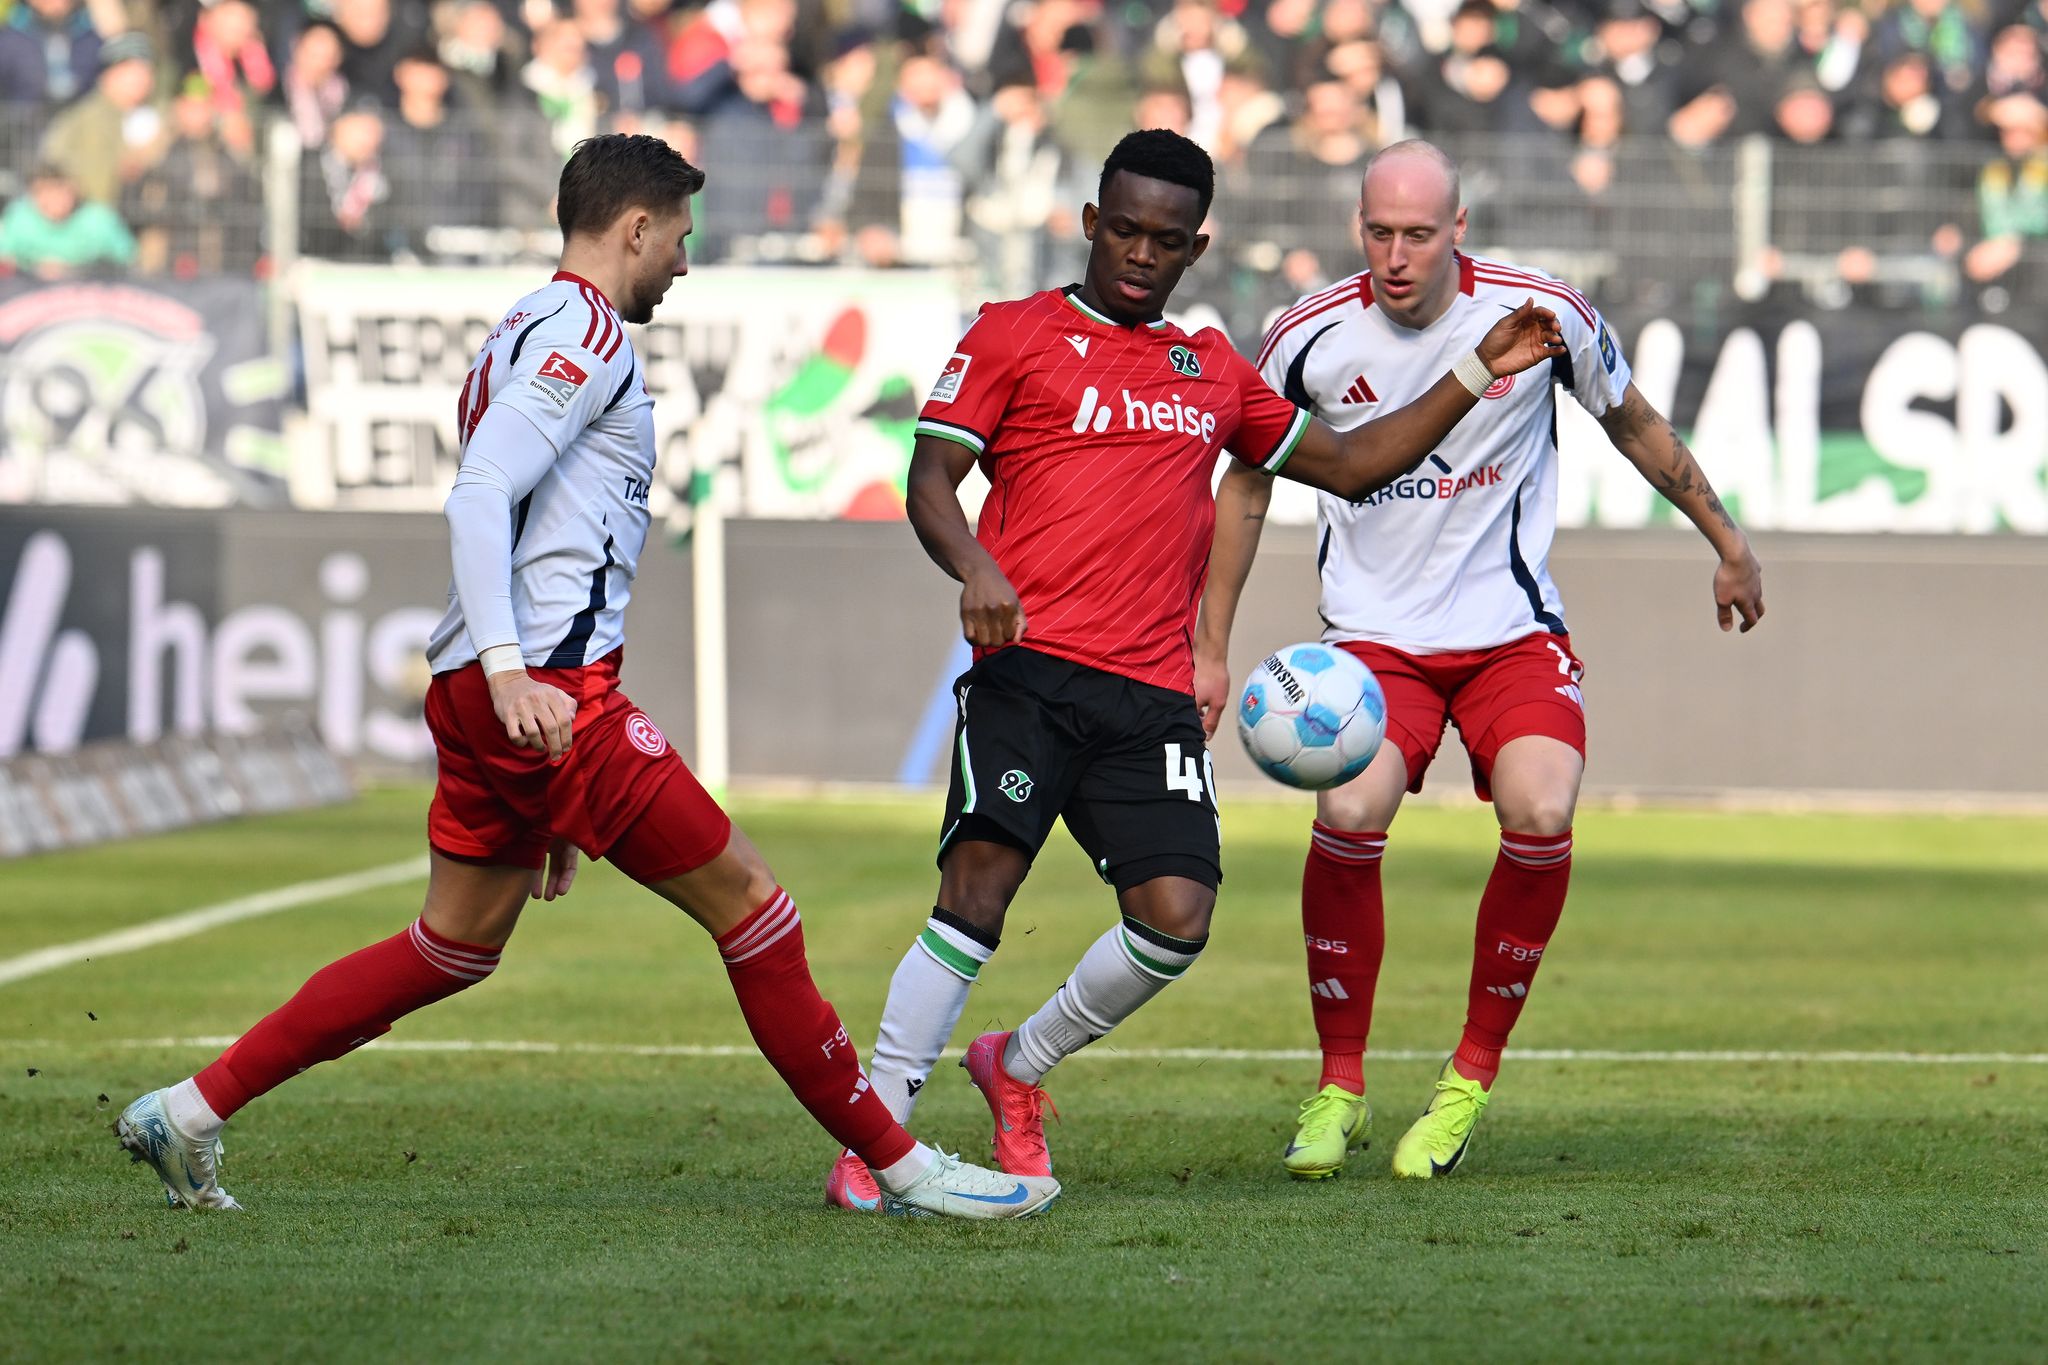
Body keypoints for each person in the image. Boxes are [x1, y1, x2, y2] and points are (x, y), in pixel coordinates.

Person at [115, 133, 1057, 1223]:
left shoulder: (525, 322)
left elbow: (525, 519)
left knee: (450, 947)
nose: (685, 265)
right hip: (546, 695)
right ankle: (903, 1169)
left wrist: (515, 722)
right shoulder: (583, 334)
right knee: (758, 912)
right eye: (681, 240)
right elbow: (479, 492)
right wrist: (522, 681)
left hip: (487, 690)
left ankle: (186, 1113)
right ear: (634, 229)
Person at [821, 127, 1567, 1210]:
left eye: (1163, 240)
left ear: (1194, 246)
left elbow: (1351, 464)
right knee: (976, 890)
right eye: (1121, 229)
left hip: (1150, 695)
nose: (1137, 252)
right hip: (1027, 672)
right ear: (1088, 222)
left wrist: (1472, 370)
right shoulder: (1012, 335)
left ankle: (1016, 1065)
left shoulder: (1211, 369)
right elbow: (930, 477)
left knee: (1176, 918)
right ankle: (872, 1140)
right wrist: (976, 567)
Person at [1193, 139, 1766, 1183]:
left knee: (1541, 812)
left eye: (1417, 234)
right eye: (1378, 233)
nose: (1396, 256)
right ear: (1355, 228)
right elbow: (1245, 487)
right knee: (1348, 814)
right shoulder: (1303, 335)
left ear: (1458, 228)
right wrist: (1209, 648)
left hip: (1510, 633)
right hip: (1371, 644)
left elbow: (1631, 423)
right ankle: (1338, 1086)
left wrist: (1725, 544)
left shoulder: (1541, 316)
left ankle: (1464, 1082)